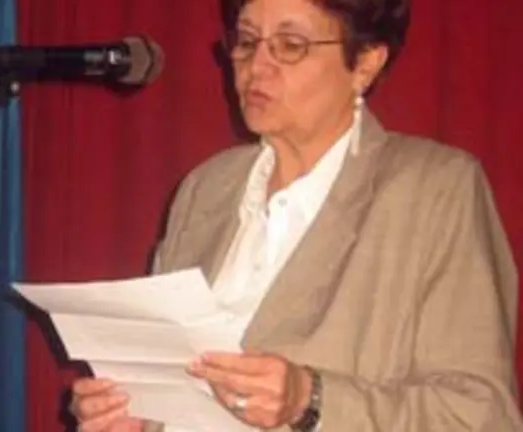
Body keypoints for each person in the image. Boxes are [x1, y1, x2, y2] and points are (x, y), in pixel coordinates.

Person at [70, 0, 523, 430]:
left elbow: (481, 416)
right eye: (246, 41)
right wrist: (129, 415)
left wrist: (312, 400)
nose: (257, 67)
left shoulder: (433, 190)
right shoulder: (205, 189)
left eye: (290, 45)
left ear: (365, 62)